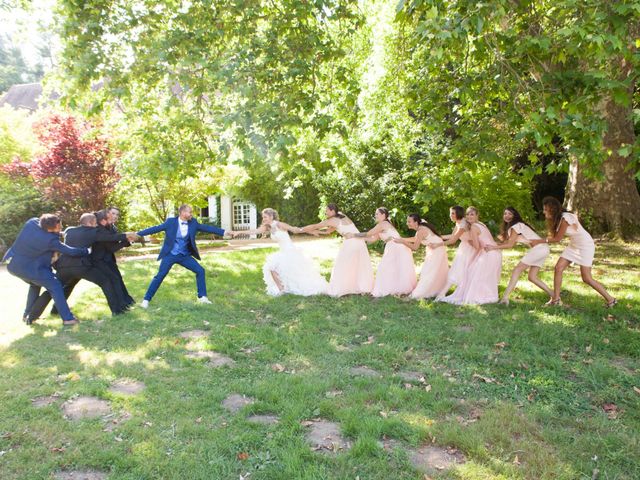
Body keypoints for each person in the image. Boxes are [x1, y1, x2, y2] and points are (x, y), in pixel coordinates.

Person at [25, 213, 138, 320]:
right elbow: (111, 238)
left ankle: (32, 316)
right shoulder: (94, 232)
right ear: (90, 223)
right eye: (94, 223)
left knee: (52, 290)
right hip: (81, 266)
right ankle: (117, 310)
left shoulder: (69, 230)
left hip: (63, 266)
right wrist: (127, 235)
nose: (96, 225)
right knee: (106, 281)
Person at [529, 197, 616, 307]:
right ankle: (555, 300)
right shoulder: (558, 219)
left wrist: (538, 241)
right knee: (558, 268)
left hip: (585, 245)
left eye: (546, 209)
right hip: (574, 245)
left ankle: (611, 300)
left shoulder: (566, 218)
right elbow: (554, 236)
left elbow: (557, 239)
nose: (544, 211)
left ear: (553, 209)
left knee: (586, 278)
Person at [2, 214, 89, 325]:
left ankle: (27, 315)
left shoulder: (31, 222)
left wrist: (57, 232)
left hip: (13, 264)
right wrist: (86, 251)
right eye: (58, 227)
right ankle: (68, 319)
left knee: (35, 284)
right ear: (49, 228)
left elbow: (37, 237)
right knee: (56, 285)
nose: (60, 228)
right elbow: (70, 251)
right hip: (28, 268)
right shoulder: (50, 240)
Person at [136, 204, 226, 308]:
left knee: (200, 271)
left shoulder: (193, 223)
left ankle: (202, 297)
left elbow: (207, 228)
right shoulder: (170, 222)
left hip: (184, 255)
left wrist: (224, 232)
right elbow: (155, 229)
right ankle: (146, 300)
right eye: (189, 212)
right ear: (183, 213)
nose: (191, 214)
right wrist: (138, 234)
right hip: (170, 255)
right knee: (160, 276)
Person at [229, 208, 328, 296]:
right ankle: (282, 289)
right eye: (263, 217)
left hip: (290, 251)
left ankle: (287, 288)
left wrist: (311, 231)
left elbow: (295, 230)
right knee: (271, 267)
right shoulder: (267, 227)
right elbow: (254, 231)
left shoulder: (279, 225)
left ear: (271, 216)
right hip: (283, 252)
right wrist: (238, 232)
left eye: (265, 217)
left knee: (293, 272)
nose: (263, 219)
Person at [300, 203, 374, 297]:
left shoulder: (332, 220)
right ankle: (359, 286)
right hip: (360, 242)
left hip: (351, 243)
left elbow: (315, 226)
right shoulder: (342, 215)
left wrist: (301, 230)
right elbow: (328, 231)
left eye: (327, 210)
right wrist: (317, 232)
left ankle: (341, 288)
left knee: (342, 265)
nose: (325, 212)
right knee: (357, 264)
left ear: (332, 211)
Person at [485, 207, 552, 305]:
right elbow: (509, 242)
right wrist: (494, 245)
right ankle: (555, 296)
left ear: (514, 216)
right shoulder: (516, 227)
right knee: (532, 277)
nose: (507, 216)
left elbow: (510, 245)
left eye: (510, 214)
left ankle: (505, 298)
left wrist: (493, 248)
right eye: (505, 214)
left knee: (517, 270)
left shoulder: (516, 226)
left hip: (539, 249)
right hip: (542, 249)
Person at [345, 207, 416, 297]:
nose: (375, 216)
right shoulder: (381, 225)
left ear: (383, 215)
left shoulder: (383, 224)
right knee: (391, 268)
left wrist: (354, 234)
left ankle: (386, 290)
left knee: (386, 268)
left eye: (377, 214)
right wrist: (357, 237)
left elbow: (369, 233)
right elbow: (372, 239)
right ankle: (392, 288)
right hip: (393, 247)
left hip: (396, 247)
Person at [439, 206, 502, 305]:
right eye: (467, 214)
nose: (469, 216)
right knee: (481, 275)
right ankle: (488, 295)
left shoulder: (473, 227)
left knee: (474, 274)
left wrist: (470, 242)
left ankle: (479, 296)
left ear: (477, 215)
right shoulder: (481, 225)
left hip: (487, 252)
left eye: (472, 214)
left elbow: (477, 246)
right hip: (495, 252)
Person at [393, 214, 448, 299]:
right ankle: (433, 290)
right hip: (435, 249)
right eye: (407, 221)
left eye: (409, 221)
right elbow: (415, 239)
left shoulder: (421, 231)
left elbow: (415, 247)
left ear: (416, 222)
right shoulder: (420, 228)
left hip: (437, 250)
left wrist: (402, 242)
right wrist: (402, 239)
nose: (407, 223)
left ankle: (420, 293)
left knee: (429, 271)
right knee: (429, 270)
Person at [435, 206, 476, 299]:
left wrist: (438, 244)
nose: (450, 215)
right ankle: (447, 292)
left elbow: (453, 240)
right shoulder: (458, 223)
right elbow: (452, 235)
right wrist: (438, 236)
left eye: (453, 213)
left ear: (459, 214)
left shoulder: (463, 224)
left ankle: (442, 293)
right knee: (459, 269)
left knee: (458, 269)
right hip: (464, 246)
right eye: (450, 213)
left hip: (470, 248)